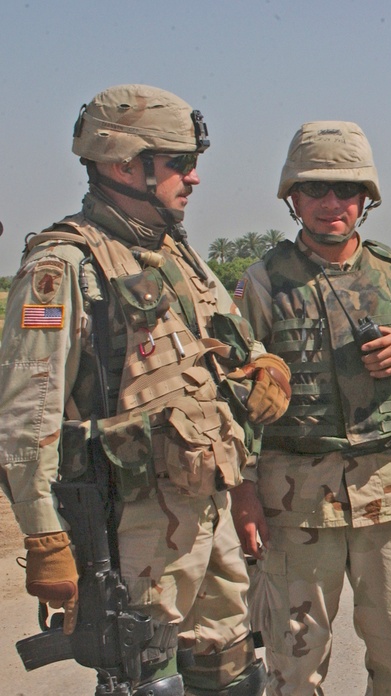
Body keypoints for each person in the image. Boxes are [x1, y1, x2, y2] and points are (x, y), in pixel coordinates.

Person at [0, 84, 290, 695]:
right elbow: (27, 419)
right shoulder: (63, 266)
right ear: (123, 162)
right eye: (180, 162)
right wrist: (45, 536)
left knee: (232, 666)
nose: (194, 178)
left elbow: (230, 345)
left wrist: (265, 370)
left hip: (203, 503)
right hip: (129, 519)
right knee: (146, 676)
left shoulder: (173, 252)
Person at [230, 121, 391, 696]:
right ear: (292, 198)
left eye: (347, 191)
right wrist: (242, 491)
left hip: (387, 495)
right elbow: (229, 401)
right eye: (315, 190)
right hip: (295, 505)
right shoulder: (260, 285)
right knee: (293, 666)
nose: (332, 204)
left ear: (366, 199)